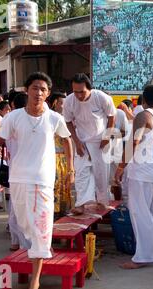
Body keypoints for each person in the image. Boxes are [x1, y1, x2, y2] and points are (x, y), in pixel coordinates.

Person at [0, 72, 74, 289]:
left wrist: (71, 170)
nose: (39, 93)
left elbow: (67, 140)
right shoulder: (13, 117)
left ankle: (34, 285)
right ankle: (41, 248)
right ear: (27, 90)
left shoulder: (54, 118)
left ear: (48, 94)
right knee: (25, 226)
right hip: (17, 179)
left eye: (43, 89)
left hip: (43, 181)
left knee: (40, 230)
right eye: (35, 88)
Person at [115, 84, 153, 270]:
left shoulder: (144, 115)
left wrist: (121, 166)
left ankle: (144, 256)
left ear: (144, 100)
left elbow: (134, 142)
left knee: (141, 213)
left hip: (143, 172)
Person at [63, 73, 116, 214]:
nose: (79, 95)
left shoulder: (101, 97)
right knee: (81, 172)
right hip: (82, 141)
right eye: (75, 92)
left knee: (101, 172)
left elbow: (112, 116)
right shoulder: (69, 101)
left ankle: (102, 202)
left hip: (101, 140)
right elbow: (68, 121)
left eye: (82, 92)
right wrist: (76, 141)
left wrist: (107, 135)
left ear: (89, 89)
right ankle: (81, 203)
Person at [49, 92, 72, 216]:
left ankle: (60, 212)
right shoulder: (53, 118)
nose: (65, 106)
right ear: (55, 103)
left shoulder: (64, 118)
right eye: (62, 103)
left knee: (63, 186)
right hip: (53, 158)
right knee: (55, 186)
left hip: (62, 158)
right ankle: (54, 213)